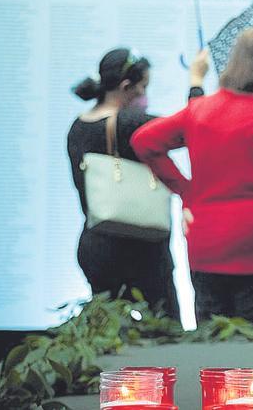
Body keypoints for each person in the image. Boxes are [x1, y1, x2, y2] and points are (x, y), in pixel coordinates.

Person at [132, 29, 253, 329]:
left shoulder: (200, 111)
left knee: (212, 352)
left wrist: (187, 192)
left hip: (206, 246)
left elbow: (144, 141)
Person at [68, 48, 184, 318]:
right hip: (140, 248)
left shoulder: (77, 126)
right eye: (143, 88)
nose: (145, 96)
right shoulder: (129, 123)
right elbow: (185, 129)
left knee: (110, 334)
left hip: (95, 244)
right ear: (126, 87)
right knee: (165, 331)